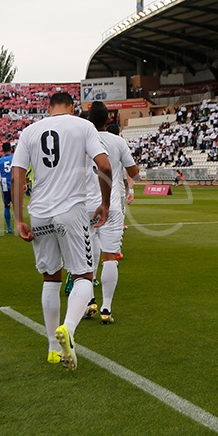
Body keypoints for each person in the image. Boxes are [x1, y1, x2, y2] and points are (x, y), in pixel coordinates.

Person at [11, 91, 112, 371]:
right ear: (72, 107)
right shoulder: (83, 126)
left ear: (49, 107)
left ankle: (53, 350)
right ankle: (68, 328)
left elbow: (17, 174)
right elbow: (103, 165)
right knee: (83, 275)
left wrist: (18, 217)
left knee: (50, 278)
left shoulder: (30, 131)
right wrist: (104, 203)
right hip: (70, 209)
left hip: (39, 211)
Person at [88, 106, 140, 325]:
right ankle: (106, 308)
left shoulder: (83, 139)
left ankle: (89, 300)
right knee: (110, 256)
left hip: (85, 204)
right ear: (108, 119)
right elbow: (134, 172)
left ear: (89, 119)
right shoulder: (118, 141)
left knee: (85, 254)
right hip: (110, 204)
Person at [0, 142, 15, 234]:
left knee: (6, 206)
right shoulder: (15, 158)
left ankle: (9, 228)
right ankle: (19, 225)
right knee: (17, 206)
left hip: (5, 185)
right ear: (11, 149)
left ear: (2, 150)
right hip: (14, 183)